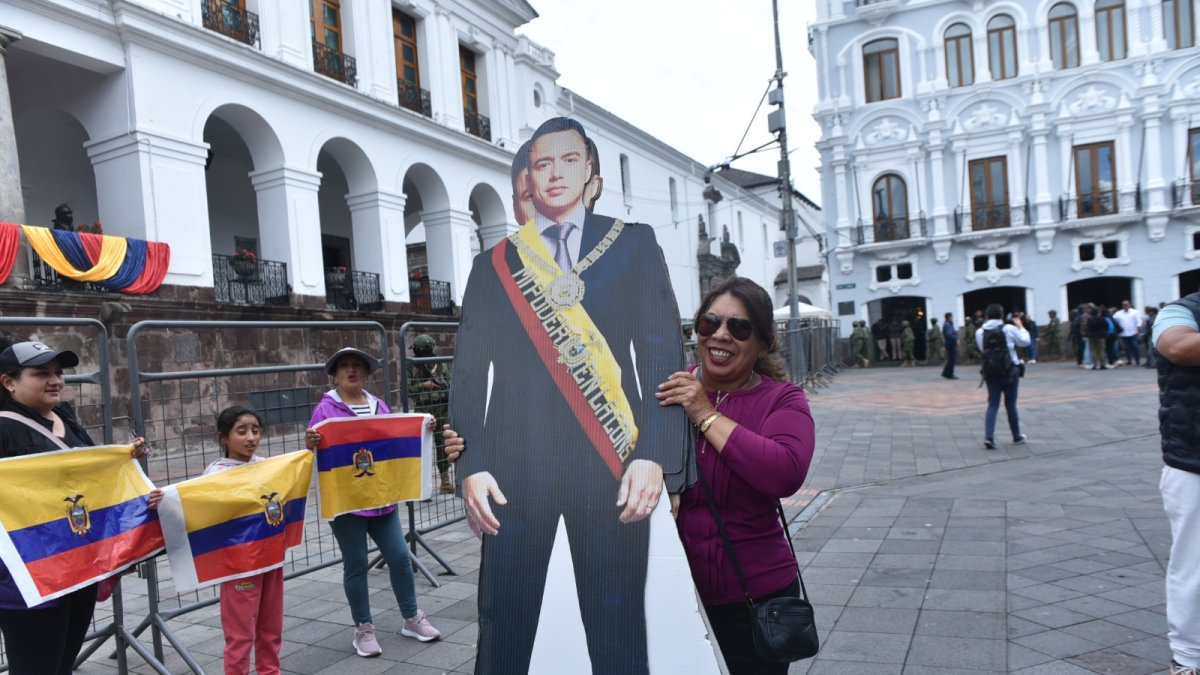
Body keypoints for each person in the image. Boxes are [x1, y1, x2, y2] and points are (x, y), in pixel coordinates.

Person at [451, 116, 689, 674]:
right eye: (541, 164)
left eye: (567, 160)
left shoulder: (632, 244)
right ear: (528, 180)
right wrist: (472, 464)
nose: (554, 173)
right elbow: (466, 373)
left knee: (618, 623)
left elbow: (661, 362)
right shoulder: (496, 265)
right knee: (503, 621)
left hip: (609, 462)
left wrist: (655, 454)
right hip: (513, 469)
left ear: (590, 171)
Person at [655, 277, 814, 674]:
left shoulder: (782, 399)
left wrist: (704, 412)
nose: (720, 336)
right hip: (674, 592)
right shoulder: (669, 389)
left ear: (765, 342)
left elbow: (784, 473)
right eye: (710, 323)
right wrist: (480, 447)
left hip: (756, 598)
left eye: (739, 327)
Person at [0, 341, 147, 674]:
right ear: (9, 382)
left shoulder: (65, 415)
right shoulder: (4, 428)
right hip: (29, 576)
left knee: (63, 663)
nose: (55, 381)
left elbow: (82, 478)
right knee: (36, 668)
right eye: (41, 373)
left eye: (58, 372)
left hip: (76, 566)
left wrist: (121, 461)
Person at [305, 347, 440, 658]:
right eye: (344, 367)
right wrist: (310, 442)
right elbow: (313, 447)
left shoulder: (378, 404)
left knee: (399, 556)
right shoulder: (325, 410)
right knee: (356, 564)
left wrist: (422, 427)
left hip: (381, 497)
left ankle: (411, 617)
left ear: (365, 373)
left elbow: (393, 438)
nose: (351, 371)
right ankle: (363, 628)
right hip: (347, 502)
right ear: (335, 374)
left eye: (357, 366)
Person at [201, 406, 284, 675]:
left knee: (271, 629)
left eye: (255, 430)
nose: (251, 437)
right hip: (239, 566)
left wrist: (309, 450)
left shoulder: (266, 467)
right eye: (242, 431)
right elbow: (196, 507)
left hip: (270, 559)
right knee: (240, 635)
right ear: (223, 438)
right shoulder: (215, 474)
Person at [1151, 294, 1200, 675]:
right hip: (1193, 463)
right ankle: (1188, 659)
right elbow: (1178, 347)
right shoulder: (1181, 311)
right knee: (1193, 565)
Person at [976, 304, 1030, 449]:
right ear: (1002, 315)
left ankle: (989, 437)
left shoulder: (980, 332)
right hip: (1009, 370)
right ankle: (1016, 435)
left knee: (993, 404)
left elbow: (983, 349)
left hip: (990, 372)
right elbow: (1025, 342)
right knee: (1010, 404)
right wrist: (1021, 327)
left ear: (986, 316)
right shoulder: (1009, 329)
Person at [407, 334, 453, 495]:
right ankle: (423, 487)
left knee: (442, 446)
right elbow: (407, 390)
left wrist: (441, 386)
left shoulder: (439, 364)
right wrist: (423, 385)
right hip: (422, 411)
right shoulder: (411, 365)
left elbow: (449, 383)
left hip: (441, 409)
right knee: (423, 449)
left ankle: (445, 481)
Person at [1115, 300, 1143, 366]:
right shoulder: (1118, 313)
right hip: (1123, 333)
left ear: (1129, 305)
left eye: (1127, 304)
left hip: (1133, 332)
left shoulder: (1135, 312)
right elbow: (1114, 319)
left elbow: (1139, 321)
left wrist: (1138, 329)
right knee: (1126, 348)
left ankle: (1137, 360)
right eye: (1124, 305)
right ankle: (1129, 360)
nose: (1125, 306)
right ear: (1122, 306)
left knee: (1135, 346)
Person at [1084, 305, 1109, 370]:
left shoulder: (1089, 319)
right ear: (1098, 312)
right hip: (1100, 336)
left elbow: (1087, 327)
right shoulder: (1102, 319)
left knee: (1093, 351)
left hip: (1091, 336)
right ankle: (1102, 364)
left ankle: (1095, 364)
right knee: (1101, 350)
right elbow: (1106, 326)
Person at [942, 312, 959, 379]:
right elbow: (949, 334)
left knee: (950, 359)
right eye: (952, 317)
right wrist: (956, 339)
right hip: (950, 344)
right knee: (951, 360)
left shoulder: (947, 324)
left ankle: (946, 373)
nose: (952, 318)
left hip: (949, 343)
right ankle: (950, 374)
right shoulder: (948, 325)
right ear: (949, 317)